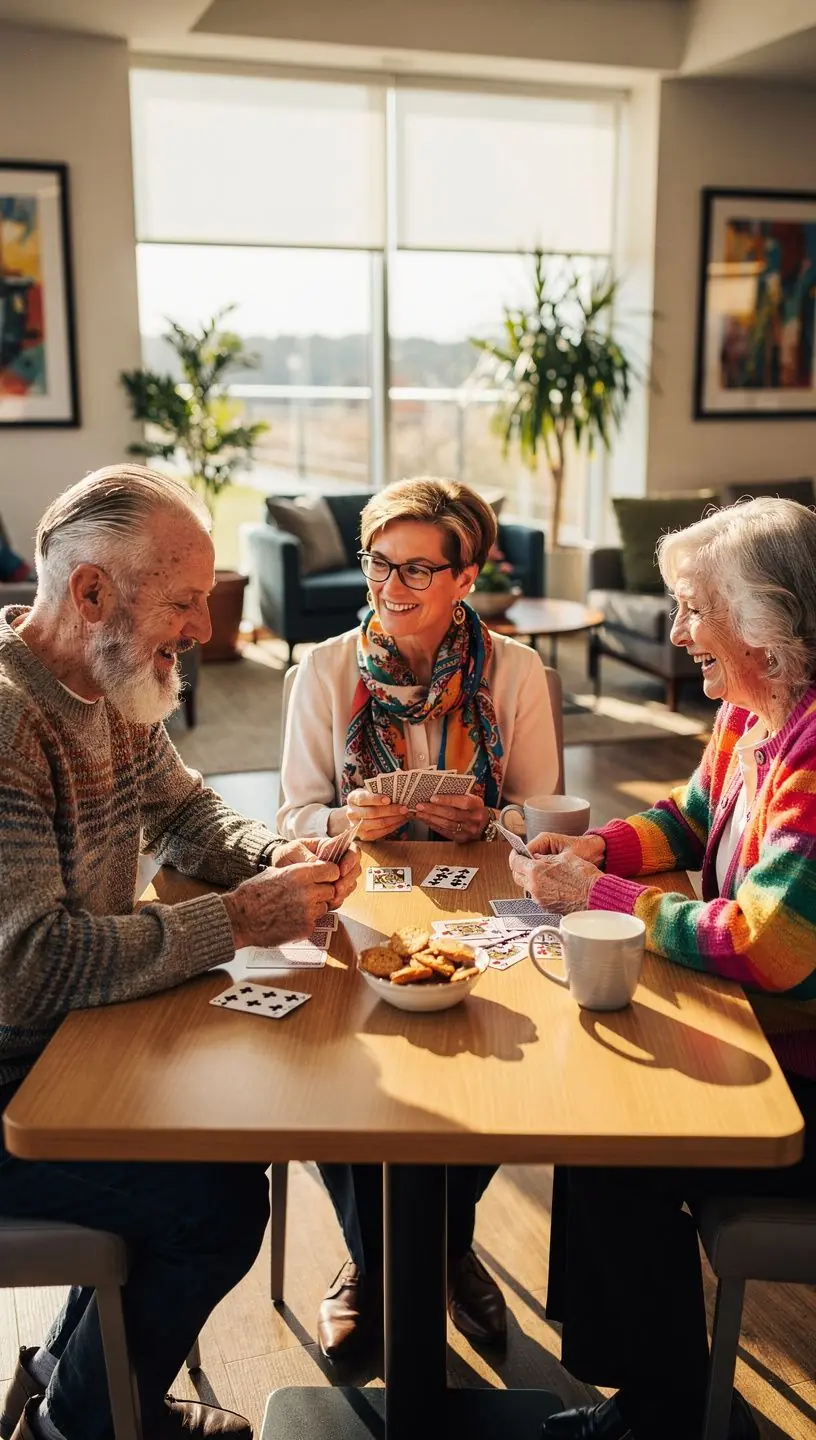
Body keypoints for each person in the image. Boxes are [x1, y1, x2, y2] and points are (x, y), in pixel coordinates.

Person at [0, 464, 360, 1440]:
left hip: (74, 1049)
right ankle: (81, 1423)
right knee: (215, 1207)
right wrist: (238, 920)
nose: (205, 627)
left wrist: (275, 857)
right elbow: (29, 967)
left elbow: (188, 812)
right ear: (90, 593)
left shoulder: (110, 679)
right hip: (15, 1087)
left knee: (220, 1157)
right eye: (184, 601)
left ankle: (73, 1380)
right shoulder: (9, 721)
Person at [508, 497, 816, 1440]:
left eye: (692, 609)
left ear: (765, 626)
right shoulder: (754, 714)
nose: (678, 632)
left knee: (615, 1144)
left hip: (802, 1086)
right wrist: (598, 849)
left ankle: (666, 1416)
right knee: (596, 1118)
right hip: (757, 1040)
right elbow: (688, 817)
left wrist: (597, 897)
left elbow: (769, 945)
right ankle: (642, 1394)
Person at [277, 475, 560, 1365]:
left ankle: (436, 1244)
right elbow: (291, 814)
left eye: (416, 570)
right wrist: (344, 818)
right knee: (333, 1066)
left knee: (502, 1067)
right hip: (358, 903)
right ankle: (383, 1261)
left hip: (481, 908)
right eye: (378, 563)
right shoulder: (323, 669)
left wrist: (491, 819)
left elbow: (545, 814)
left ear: (466, 577)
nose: (389, 587)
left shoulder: (517, 671)